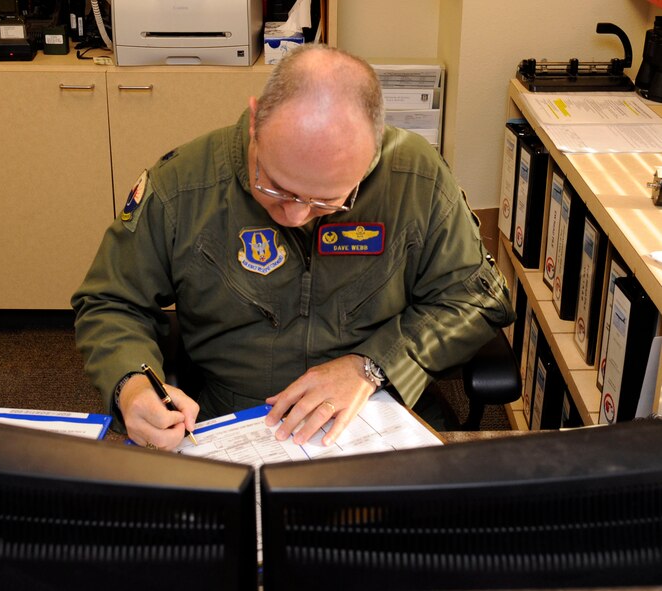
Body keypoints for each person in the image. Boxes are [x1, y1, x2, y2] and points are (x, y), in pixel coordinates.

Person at [72, 44, 515, 451]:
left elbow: (477, 298)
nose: (297, 215)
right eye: (277, 186)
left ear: (371, 154)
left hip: (379, 409)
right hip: (229, 419)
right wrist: (131, 383)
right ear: (255, 119)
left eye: (327, 200)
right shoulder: (183, 185)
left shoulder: (414, 177)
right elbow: (111, 302)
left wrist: (372, 366)